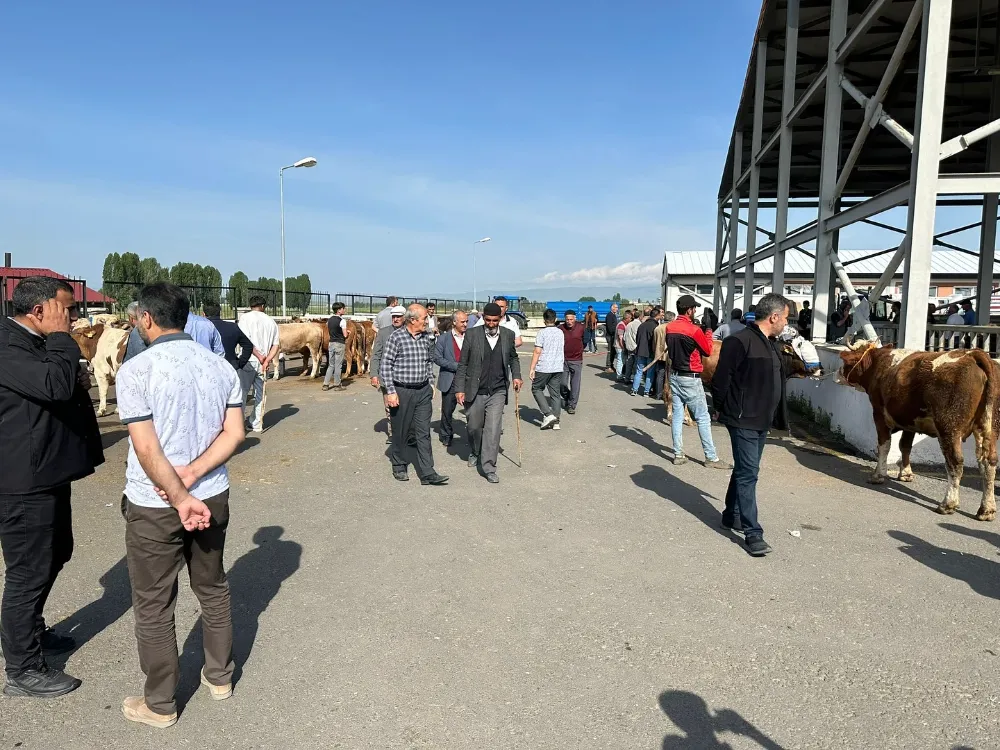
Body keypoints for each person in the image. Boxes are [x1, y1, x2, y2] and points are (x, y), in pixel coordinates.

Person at [114, 282, 244, 727]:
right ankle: (220, 676)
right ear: (185, 317)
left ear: (145, 318)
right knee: (212, 587)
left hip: (155, 502)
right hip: (211, 494)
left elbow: (147, 449)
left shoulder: (137, 371)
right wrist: (193, 478)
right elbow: (235, 433)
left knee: (153, 601)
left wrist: (178, 491)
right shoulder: (220, 368)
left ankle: (161, 703)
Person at [0, 277, 104, 698]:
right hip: (23, 482)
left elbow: (55, 388)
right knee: (29, 570)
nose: (74, 318)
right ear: (39, 310)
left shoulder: (34, 342)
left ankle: (29, 630)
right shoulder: (8, 344)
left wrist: (74, 377)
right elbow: (53, 385)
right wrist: (65, 344)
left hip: (46, 472)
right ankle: (22, 668)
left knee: (57, 553)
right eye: (67, 309)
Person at [711, 293, 792, 557]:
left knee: (747, 469)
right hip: (743, 417)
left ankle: (729, 514)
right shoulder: (739, 341)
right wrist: (721, 409)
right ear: (774, 316)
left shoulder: (770, 343)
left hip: (762, 419)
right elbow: (721, 380)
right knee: (749, 473)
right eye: (786, 317)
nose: (786, 323)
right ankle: (752, 533)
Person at [380, 305, 448, 485]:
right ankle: (399, 464)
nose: (427, 321)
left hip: (422, 391)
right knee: (400, 430)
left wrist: (431, 383)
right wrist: (391, 392)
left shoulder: (426, 338)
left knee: (423, 432)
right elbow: (385, 366)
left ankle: (427, 472)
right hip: (402, 391)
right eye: (424, 318)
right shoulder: (396, 337)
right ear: (413, 320)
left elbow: (428, 362)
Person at [454, 302, 522, 483]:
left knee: (493, 429)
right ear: (483, 318)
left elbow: (513, 358)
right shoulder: (472, 334)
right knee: (475, 427)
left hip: (498, 391)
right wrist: (459, 388)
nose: (491, 324)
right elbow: (463, 365)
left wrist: (516, 376)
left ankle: (489, 466)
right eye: (488, 320)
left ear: (500, 319)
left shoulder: (508, 335)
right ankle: (475, 451)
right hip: (475, 390)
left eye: (495, 320)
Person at [666, 295, 730, 470]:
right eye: (694, 308)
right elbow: (708, 350)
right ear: (689, 310)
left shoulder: (670, 327)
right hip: (690, 377)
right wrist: (708, 330)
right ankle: (711, 457)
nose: (695, 311)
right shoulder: (694, 330)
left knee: (678, 416)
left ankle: (678, 454)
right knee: (703, 417)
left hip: (675, 375)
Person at [237, 296, 280, 433]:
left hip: (247, 360)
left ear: (251, 305)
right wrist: (266, 360)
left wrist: (259, 356)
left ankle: (238, 424)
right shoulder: (271, 321)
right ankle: (256, 423)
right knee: (260, 394)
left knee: (242, 393)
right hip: (263, 364)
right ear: (263, 306)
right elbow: (276, 345)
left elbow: (245, 341)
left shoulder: (245, 319)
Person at [369, 306, 406, 443]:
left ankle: (408, 433)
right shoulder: (384, 333)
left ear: (404, 317)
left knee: (406, 407)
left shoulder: (409, 332)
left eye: (398, 317)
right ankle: (392, 433)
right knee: (390, 406)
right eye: (393, 317)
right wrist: (374, 374)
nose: (395, 319)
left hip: (405, 378)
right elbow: (376, 354)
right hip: (387, 377)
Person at [433, 310, 468, 447]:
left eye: (466, 321)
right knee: (447, 410)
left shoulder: (471, 337)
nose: (465, 324)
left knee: (471, 409)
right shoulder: (443, 339)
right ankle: (446, 434)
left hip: (467, 380)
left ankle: (473, 436)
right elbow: (437, 358)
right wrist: (455, 366)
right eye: (462, 322)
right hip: (450, 379)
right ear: (454, 322)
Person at [529, 308, 565, 430]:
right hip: (557, 366)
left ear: (544, 320)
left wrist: (532, 368)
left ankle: (548, 414)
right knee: (555, 393)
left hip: (544, 366)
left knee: (536, 388)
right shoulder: (560, 332)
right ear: (555, 319)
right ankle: (556, 420)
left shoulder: (542, 333)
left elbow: (537, 351)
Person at [204, 302, 254, 375]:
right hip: (230, 367)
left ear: (203, 314)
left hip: (207, 369)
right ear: (219, 312)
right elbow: (248, 345)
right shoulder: (232, 327)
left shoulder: (201, 329)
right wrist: (240, 363)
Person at [631, 306, 661, 397]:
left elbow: (637, 338)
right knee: (650, 372)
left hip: (640, 351)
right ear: (657, 316)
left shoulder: (641, 325)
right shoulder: (656, 327)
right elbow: (655, 341)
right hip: (650, 352)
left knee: (639, 371)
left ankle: (634, 390)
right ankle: (646, 391)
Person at [559, 309, 585, 414]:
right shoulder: (560, 329)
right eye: (567, 319)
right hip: (563, 360)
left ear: (575, 319)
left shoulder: (581, 328)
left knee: (575, 384)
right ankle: (567, 396)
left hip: (576, 360)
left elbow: (585, 340)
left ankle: (572, 405)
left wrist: (579, 350)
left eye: (571, 319)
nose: (569, 322)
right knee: (562, 383)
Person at [322, 302, 348, 391]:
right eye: (343, 308)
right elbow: (345, 335)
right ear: (339, 310)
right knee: (338, 365)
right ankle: (337, 385)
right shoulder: (342, 321)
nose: (344, 310)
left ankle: (325, 384)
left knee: (331, 365)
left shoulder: (329, 320)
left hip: (331, 343)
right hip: (339, 343)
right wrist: (348, 332)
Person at [623, 309, 643, 384]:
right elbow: (637, 336)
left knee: (629, 364)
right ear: (640, 316)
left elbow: (625, 337)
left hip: (629, 346)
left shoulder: (629, 324)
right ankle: (635, 380)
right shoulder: (638, 325)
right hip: (635, 347)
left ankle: (627, 378)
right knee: (636, 365)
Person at [614, 310, 631, 379]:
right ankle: (619, 376)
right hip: (619, 346)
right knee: (620, 360)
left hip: (620, 346)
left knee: (622, 360)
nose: (630, 320)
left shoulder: (623, 324)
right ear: (626, 318)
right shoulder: (621, 325)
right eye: (630, 318)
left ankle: (620, 374)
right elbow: (620, 337)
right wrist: (623, 347)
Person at [604, 303, 619, 373]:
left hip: (613, 336)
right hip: (610, 336)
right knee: (610, 351)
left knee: (613, 352)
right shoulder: (609, 315)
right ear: (612, 308)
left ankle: (611, 365)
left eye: (617, 307)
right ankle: (608, 366)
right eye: (616, 307)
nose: (617, 309)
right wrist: (615, 332)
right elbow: (610, 328)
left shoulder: (614, 315)